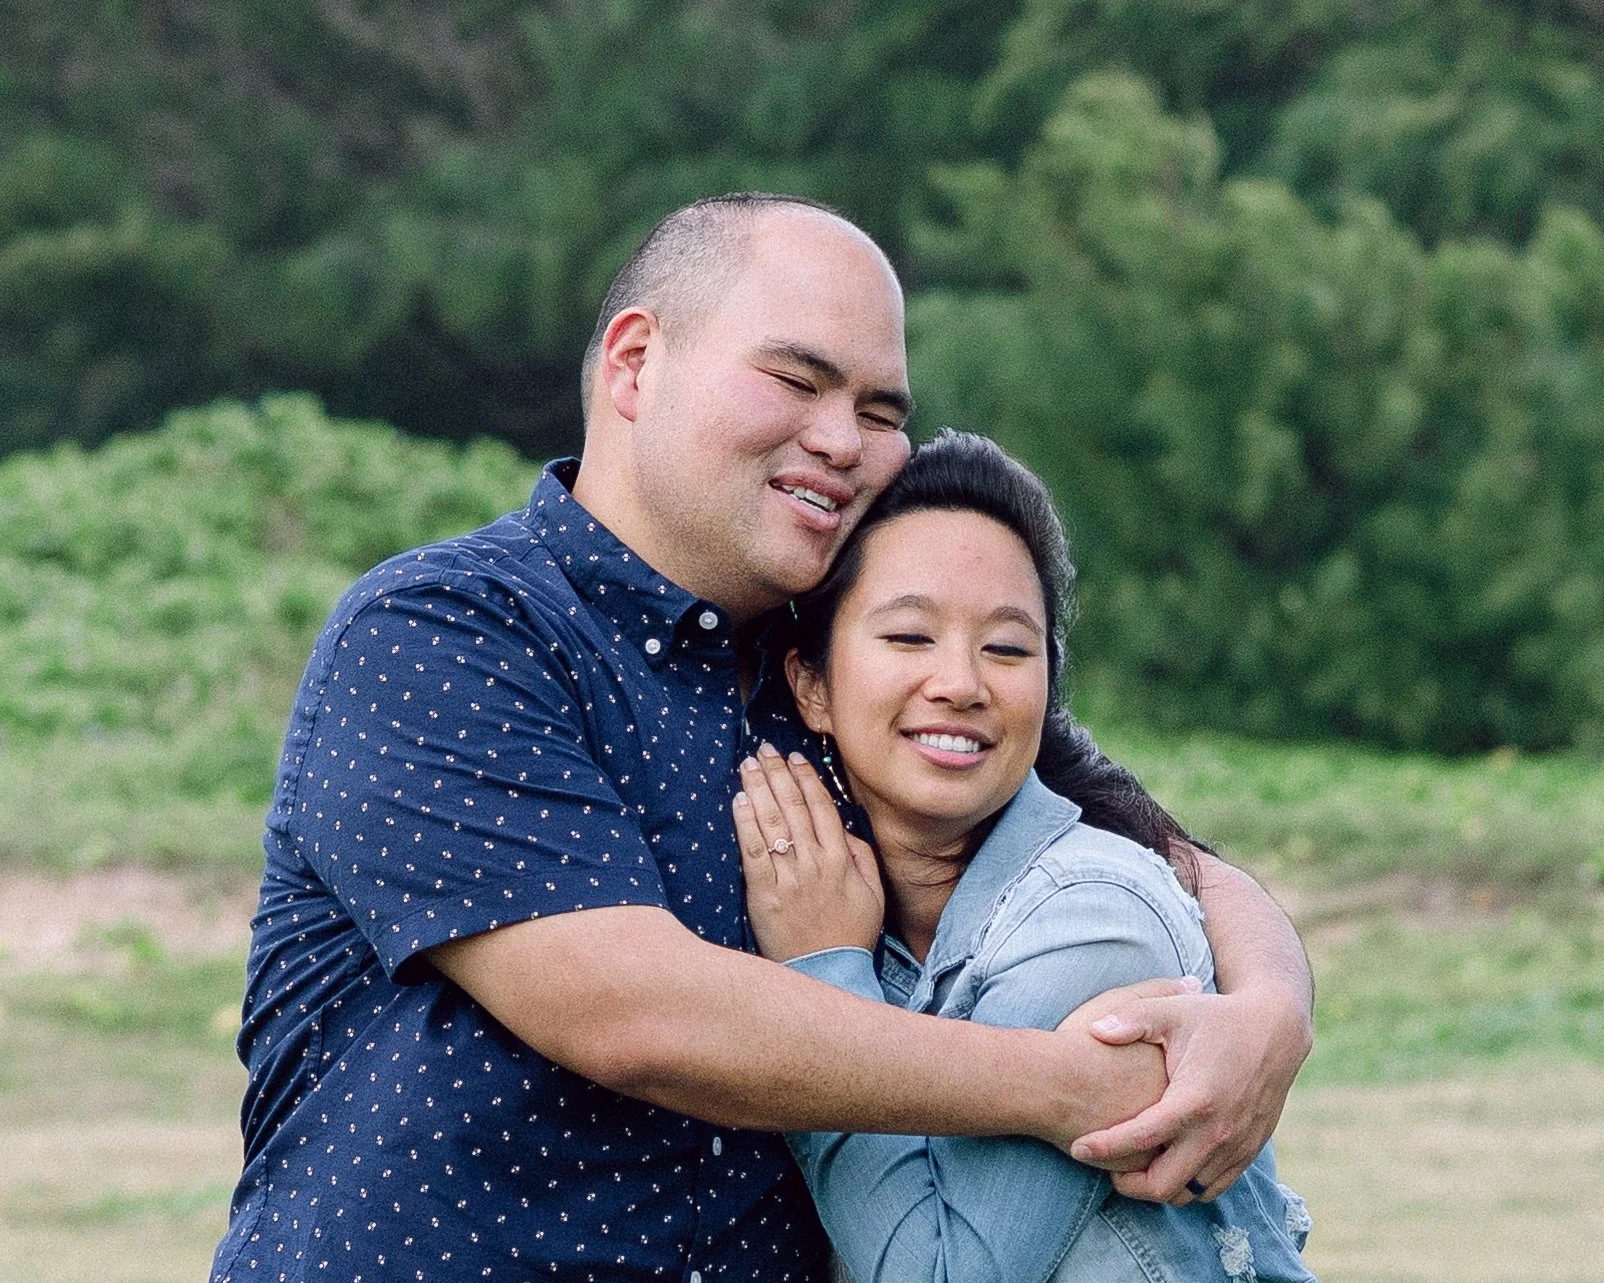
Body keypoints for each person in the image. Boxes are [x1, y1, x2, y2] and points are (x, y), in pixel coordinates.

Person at [211, 193, 1313, 1282]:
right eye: (795, 381)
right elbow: (632, 1010)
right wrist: (1068, 1085)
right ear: (635, 363)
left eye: (880, 410)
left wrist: (1269, 1013)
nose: (841, 441)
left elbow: (1159, 851)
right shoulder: (446, 632)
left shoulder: (846, 660)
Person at [732, 429, 1316, 1281]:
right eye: (910, 637)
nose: (962, 683)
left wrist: (820, 971)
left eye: (1007, 648)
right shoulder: (862, 908)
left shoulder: (1093, 914)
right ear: (812, 685)